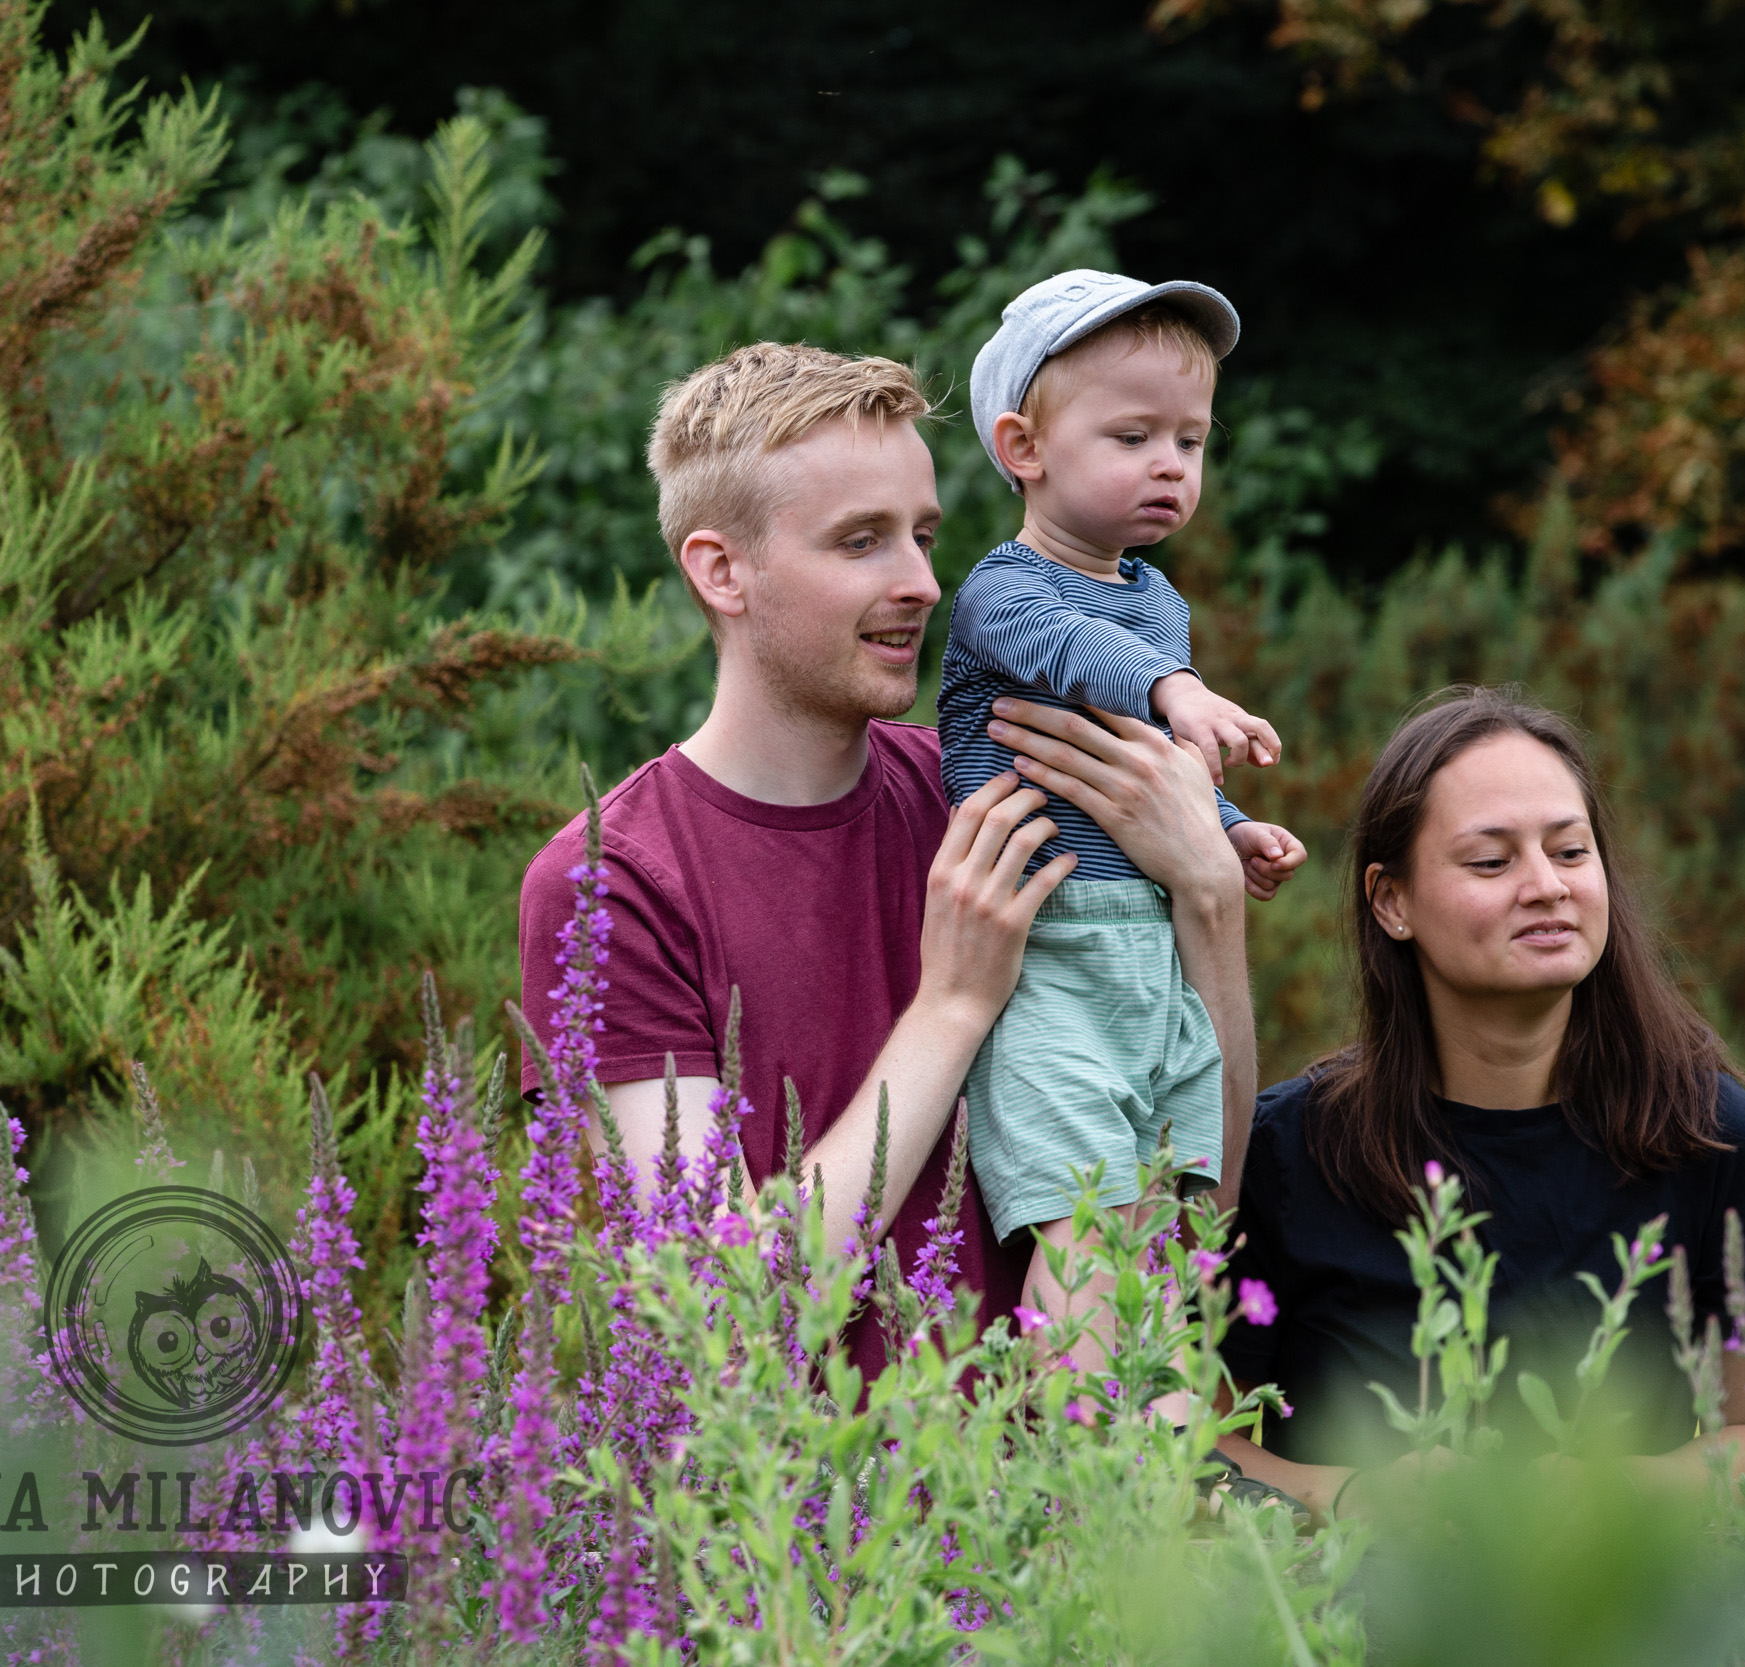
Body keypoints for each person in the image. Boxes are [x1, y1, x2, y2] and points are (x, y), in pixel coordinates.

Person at [514, 342, 1257, 1387]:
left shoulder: (1009, 783)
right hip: (816, 1536)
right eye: (860, 541)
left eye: (922, 535)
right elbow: (725, 1311)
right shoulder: (614, 882)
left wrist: (1211, 902)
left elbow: (1198, 1220)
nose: (919, 582)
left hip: (1074, 1520)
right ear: (720, 569)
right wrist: (950, 1005)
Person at [1213, 686, 1745, 1520]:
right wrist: (1356, 1496)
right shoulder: (1286, 1152)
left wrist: (1607, 1491)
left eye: (1571, 851)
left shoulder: (1706, 1134)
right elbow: (1191, 1451)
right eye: (1492, 861)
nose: (1545, 885)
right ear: (1392, 901)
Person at [942, 269, 1308, 1384]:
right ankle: (1079, 1444)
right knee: (1081, 1216)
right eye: (1133, 434)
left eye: (1190, 441)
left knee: (1173, 1208)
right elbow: (1078, 661)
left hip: (1156, 954)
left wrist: (1228, 824)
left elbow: (1157, 770)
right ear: (1024, 447)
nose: (1170, 464)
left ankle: (1147, 1430)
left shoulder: (1158, 602)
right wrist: (1175, 691)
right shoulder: (1000, 593)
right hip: (1048, 957)